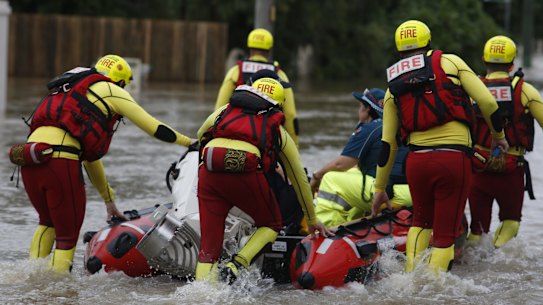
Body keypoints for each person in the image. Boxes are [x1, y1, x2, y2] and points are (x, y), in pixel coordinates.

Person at [14, 54, 195, 273]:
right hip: (61, 160)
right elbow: (153, 126)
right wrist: (189, 142)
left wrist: (109, 202)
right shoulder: (111, 90)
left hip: (29, 158)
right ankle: (57, 290)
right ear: (120, 81)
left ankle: (32, 276)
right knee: (67, 236)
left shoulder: (71, 89)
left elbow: (90, 159)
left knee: (47, 223)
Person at [370, 20, 509, 274]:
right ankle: (432, 289)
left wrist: (379, 188)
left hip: (417, 163)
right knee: (445, 235)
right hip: (452, 161)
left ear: (399, 51)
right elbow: (488, 103)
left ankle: (411, 280)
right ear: (429, 42)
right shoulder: (451, 63)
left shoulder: (393, 87)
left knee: (420, 224)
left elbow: (387, 144)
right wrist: (498, 136)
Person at [195, 77, 333, 283]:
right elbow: (299, 179)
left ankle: (201, 293)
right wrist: (311, 220)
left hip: (209, 174)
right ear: (278, 105)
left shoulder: (225, 110)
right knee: (272, 223)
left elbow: (200, 134)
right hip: (245, 175)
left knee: (208, 248)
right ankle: (237, 264)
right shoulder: (276, 128)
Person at [468, 35, 543, 248]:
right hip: (511, 168)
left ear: (484, 59)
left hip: (478, 166)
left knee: (477, 230)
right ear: (512, 63)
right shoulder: (526, 91)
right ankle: (497, 255)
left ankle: (476, 263)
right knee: (510, 223)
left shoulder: (472, 90)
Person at [310, 88, 412, 227]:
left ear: (368, 110)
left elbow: (341, 164)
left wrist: (317, 176)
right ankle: (356, 223)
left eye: (360, 106)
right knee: (353, 172)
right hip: (411, 192)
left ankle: (327, 230)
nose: (359, 110)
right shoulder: (400, 125)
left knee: (330, 179)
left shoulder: (370, 128)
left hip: (387, 192)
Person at [214, 28, 300, 146]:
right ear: (269, 50)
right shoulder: (280, 75)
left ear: (249, 48)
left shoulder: (235, 71)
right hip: (267, 140)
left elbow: (219, 108)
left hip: (235, 135)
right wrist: (294, 146)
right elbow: (290, 115)